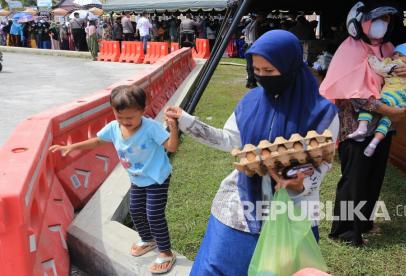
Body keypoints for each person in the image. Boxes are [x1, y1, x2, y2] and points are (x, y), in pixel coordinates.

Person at [165, 30, 339, 276]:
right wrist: (187, 122)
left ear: (290, 66)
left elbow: (322, 164)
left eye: (268, 71)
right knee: (216, 268)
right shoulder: (251, 102)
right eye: (256, 70)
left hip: (290, 209)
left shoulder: (323, 113)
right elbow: (229, 140)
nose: (261, 78)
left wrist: (299, 186)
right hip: (240, 206)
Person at [320, 1, 406, 246]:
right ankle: (344, 231)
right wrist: (390, 111)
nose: (382, 24)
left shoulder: (389, 49)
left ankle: (364, 221)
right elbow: (353, 95)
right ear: (360, 21)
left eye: (387, 19)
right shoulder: (350, 49)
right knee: (354, 177)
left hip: (384, 125)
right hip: (356, 125)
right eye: (377, 18)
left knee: (374, 174)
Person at [49, 85, 179, 274]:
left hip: (157, 177)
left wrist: (173, 128)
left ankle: (166, 252)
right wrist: (72, 147)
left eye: (130, 117)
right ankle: (147, 239)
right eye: (120, 117)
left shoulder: (151, 128)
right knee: (135, 210)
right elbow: (98, 140)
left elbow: (172, 147)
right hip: (137, 179)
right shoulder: (113, 128)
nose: (125, 122)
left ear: (142, 110)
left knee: (153, 215)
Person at [347, 40, 406, 157]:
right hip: (401, 100)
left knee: (368, 107)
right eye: (396, 53)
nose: (396, 56)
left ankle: (362, 128)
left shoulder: (397, 64)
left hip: (390, 95)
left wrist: (370, 58)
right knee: (386, 121)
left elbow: (380, 68)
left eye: (401, 54)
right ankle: (374, 142)